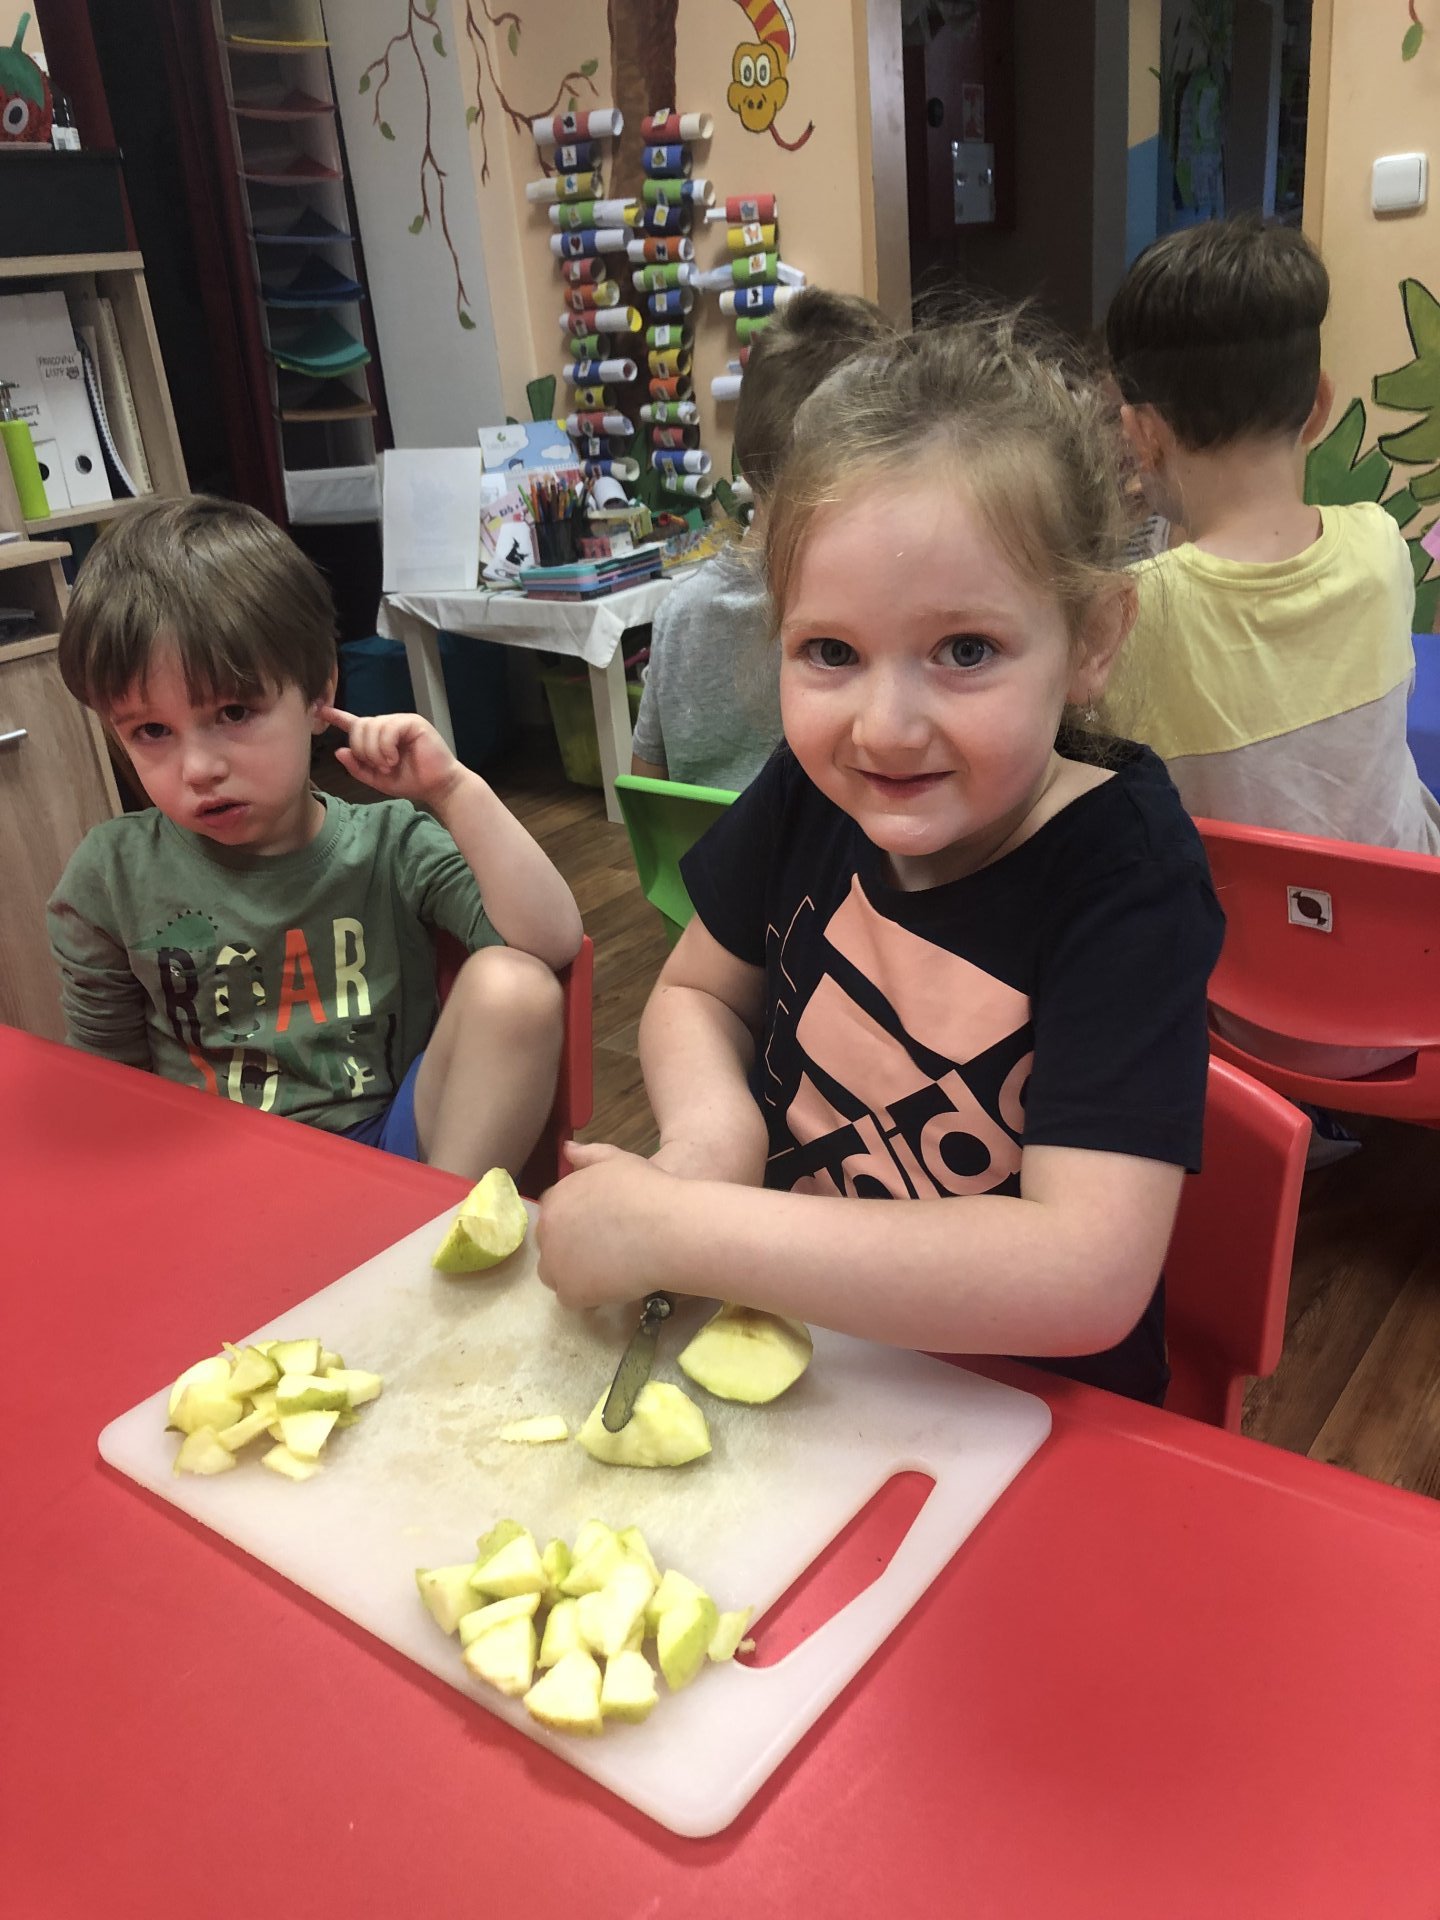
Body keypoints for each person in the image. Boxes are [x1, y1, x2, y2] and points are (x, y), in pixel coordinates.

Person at [537, 313, 1225, 1407]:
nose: (885, 728)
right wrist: (712, 1141)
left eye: (965, 651)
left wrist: (689, 1228)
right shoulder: (812, 790)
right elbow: (697, 994)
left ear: (1092, 638)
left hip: (1022, 1412)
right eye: (831, 652)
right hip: (803, 1363)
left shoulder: (1128, 879)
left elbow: (1086, 1272)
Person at [47, 495, 583, 1180]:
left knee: (517, 988)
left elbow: (550, 943)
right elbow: (107, 1090)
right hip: (210, 1175)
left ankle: (438, 1231)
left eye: (233, 712)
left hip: (387, 1153)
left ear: (318, 692)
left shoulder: (391, 844)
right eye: (151, 731)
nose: (199, 768)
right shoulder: (109, 875)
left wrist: (453, 790)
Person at [1104, 213, 1440, 858]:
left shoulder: (1128, 613)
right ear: (1318, 407)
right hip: (1405, 897)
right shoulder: (1381, 544)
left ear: (1142, 435)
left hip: (1226, 915)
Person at [630, 286, 891, 791]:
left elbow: (648, 788)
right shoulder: (857, 615)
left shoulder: (680, 610)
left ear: (746, 456)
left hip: (697, 846)